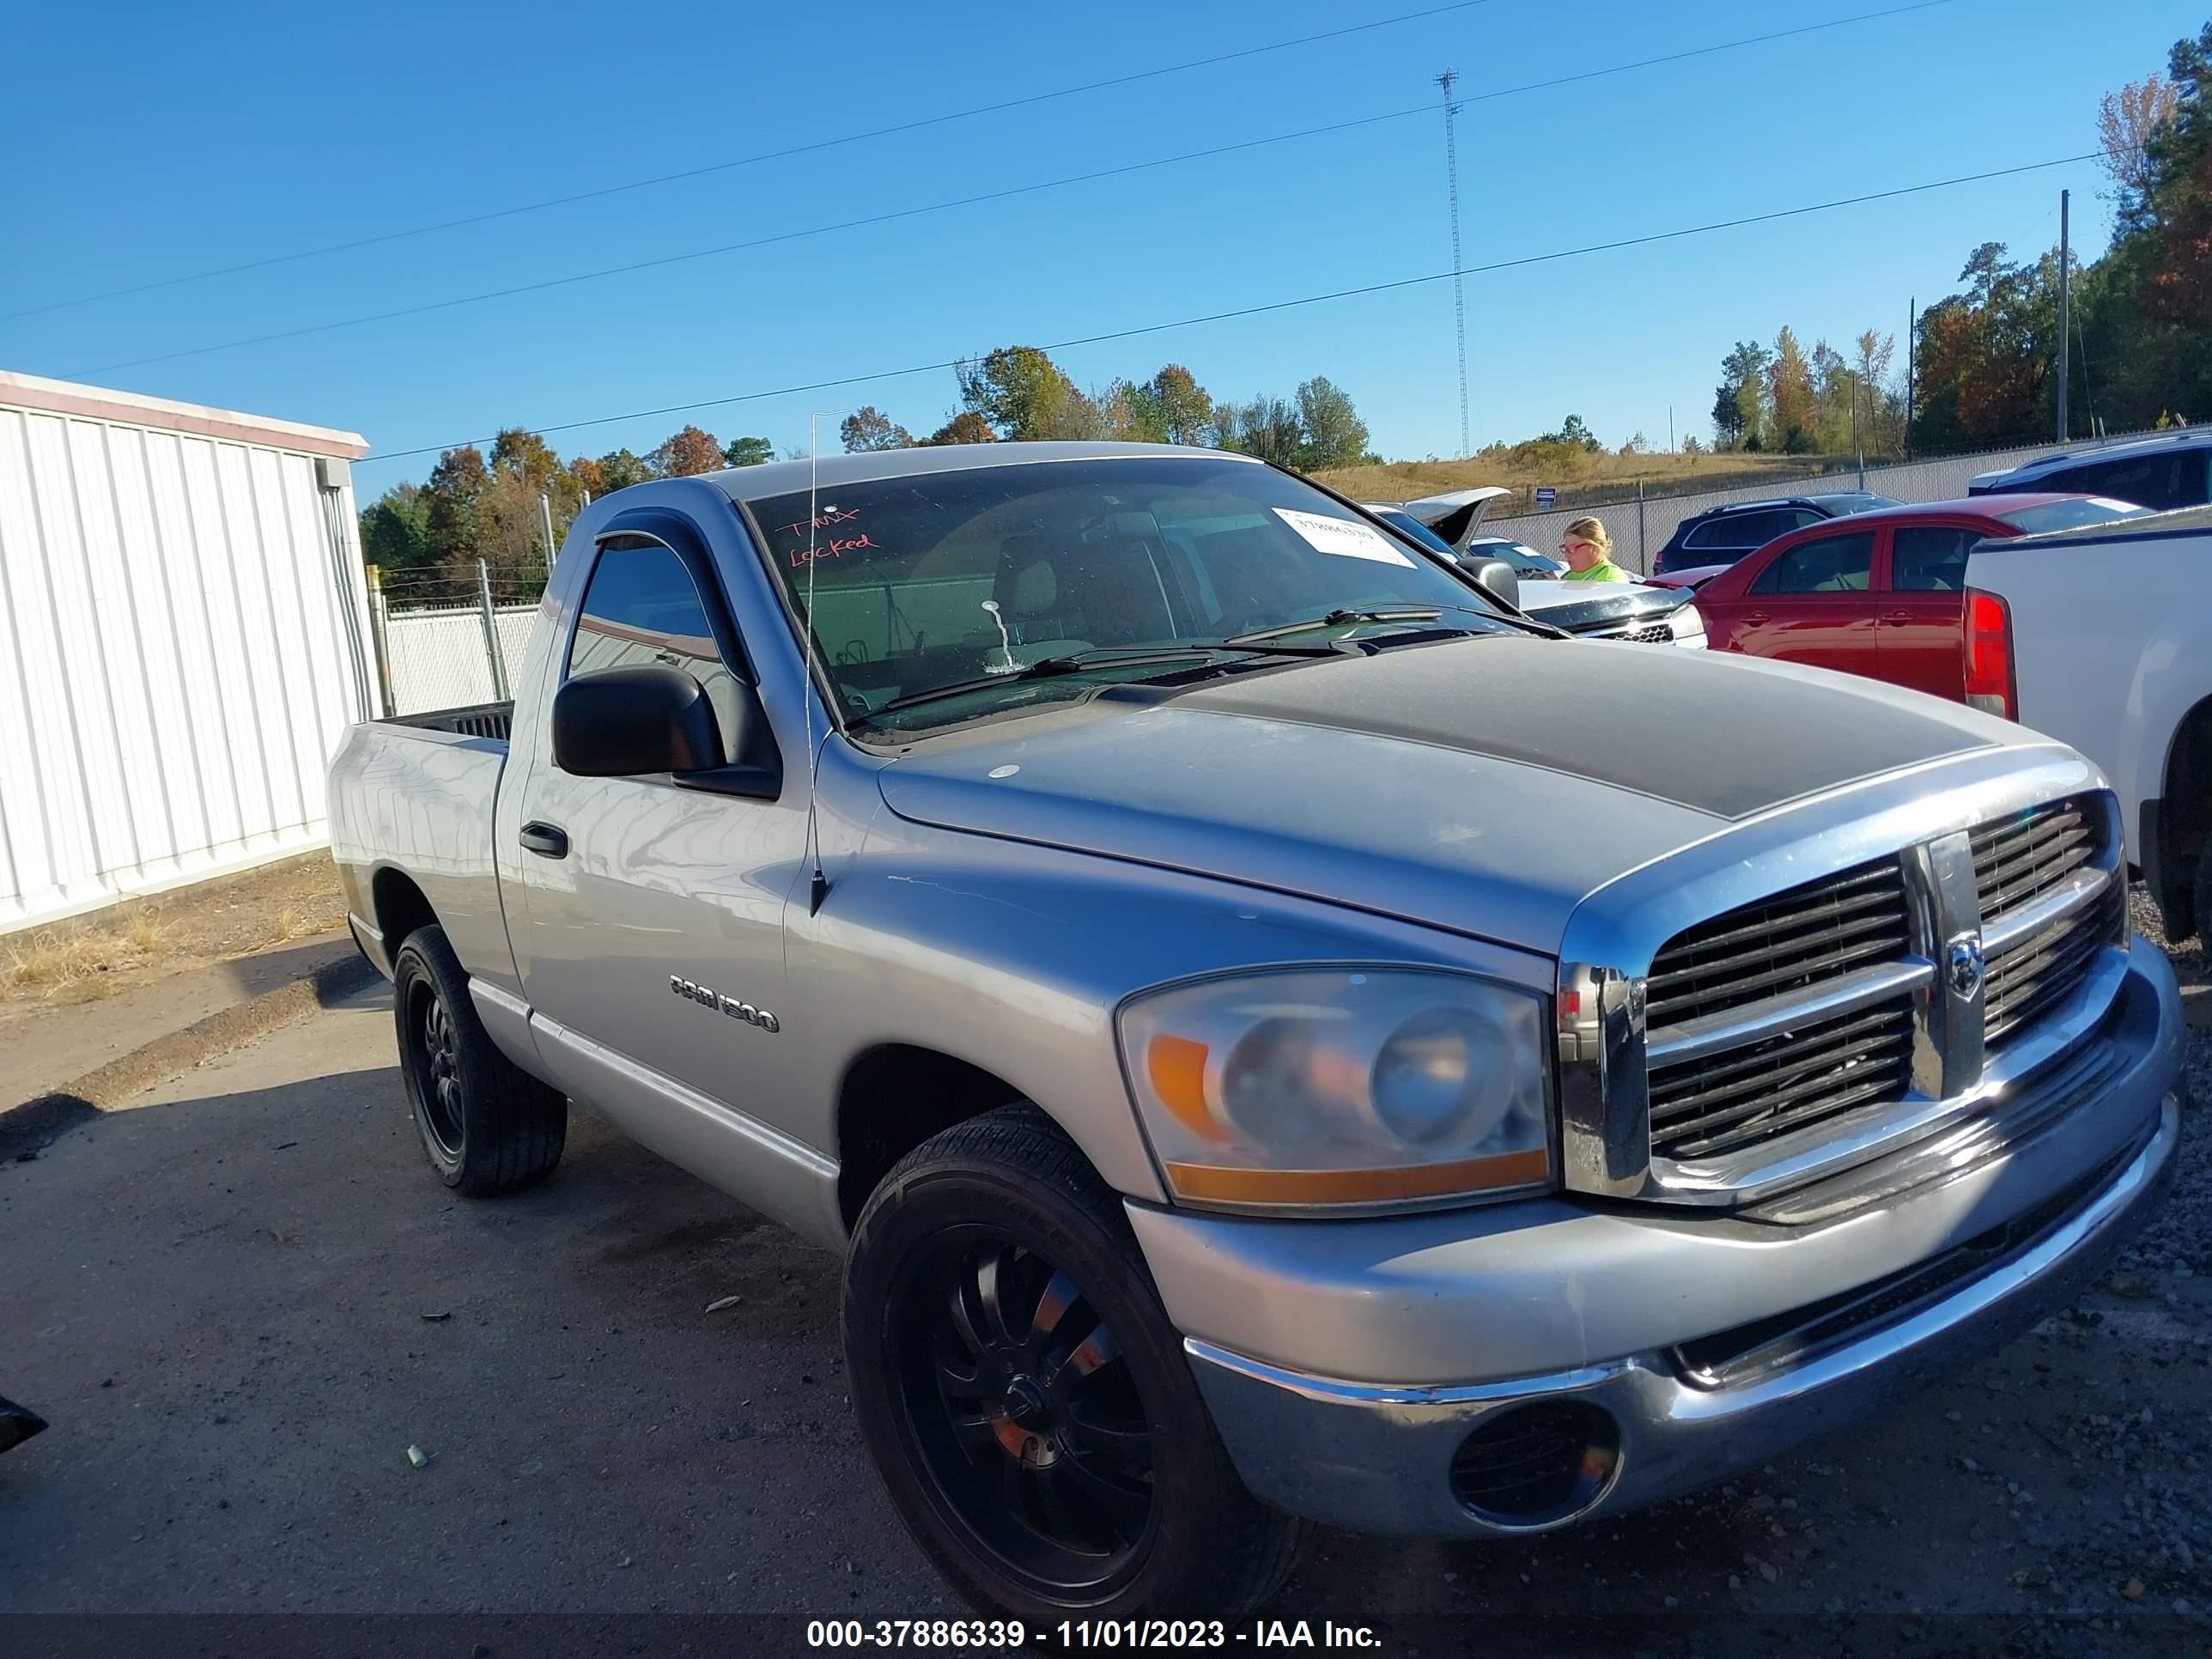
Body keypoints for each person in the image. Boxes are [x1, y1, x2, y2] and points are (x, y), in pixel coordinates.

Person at [1558, 517, 1628, 582]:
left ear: (1595, 548)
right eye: (1565, 548)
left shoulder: (1610, 576)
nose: (1566, 554)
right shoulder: (1569, 576)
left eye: (1572, 548)